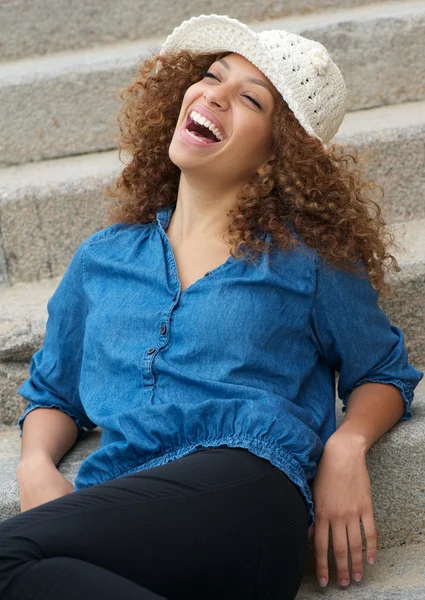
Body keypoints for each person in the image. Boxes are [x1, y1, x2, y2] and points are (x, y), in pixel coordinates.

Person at [0, 13, 422, 600]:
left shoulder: (305, 261)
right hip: (131, 505)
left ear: (278, 154)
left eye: (249, 98)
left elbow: (381, 372)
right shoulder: (104, 259)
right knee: (28, 578)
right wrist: (35, 464)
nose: (213, 95)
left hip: (248, 491)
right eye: (211, 76)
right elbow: (54, 393)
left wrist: (346, 444)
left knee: (8, 553)